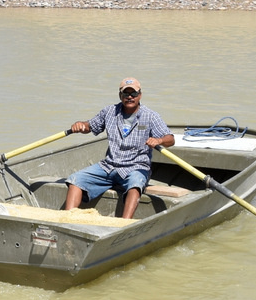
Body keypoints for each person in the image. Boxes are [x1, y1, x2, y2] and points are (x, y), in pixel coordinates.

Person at [63, 77, 174, 219]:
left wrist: (159, 140)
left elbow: (170, 139)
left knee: (135, 184)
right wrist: (81, 125)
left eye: (133, 94)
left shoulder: (151, 116)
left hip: (135, 166)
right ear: (120, 95)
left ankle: (123, 223)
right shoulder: (109, 112)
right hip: (109, 166)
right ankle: (67, 219)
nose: (129, 97)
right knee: (75, 179)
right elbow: (91, 125)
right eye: (125, 94)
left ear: (140, 95)